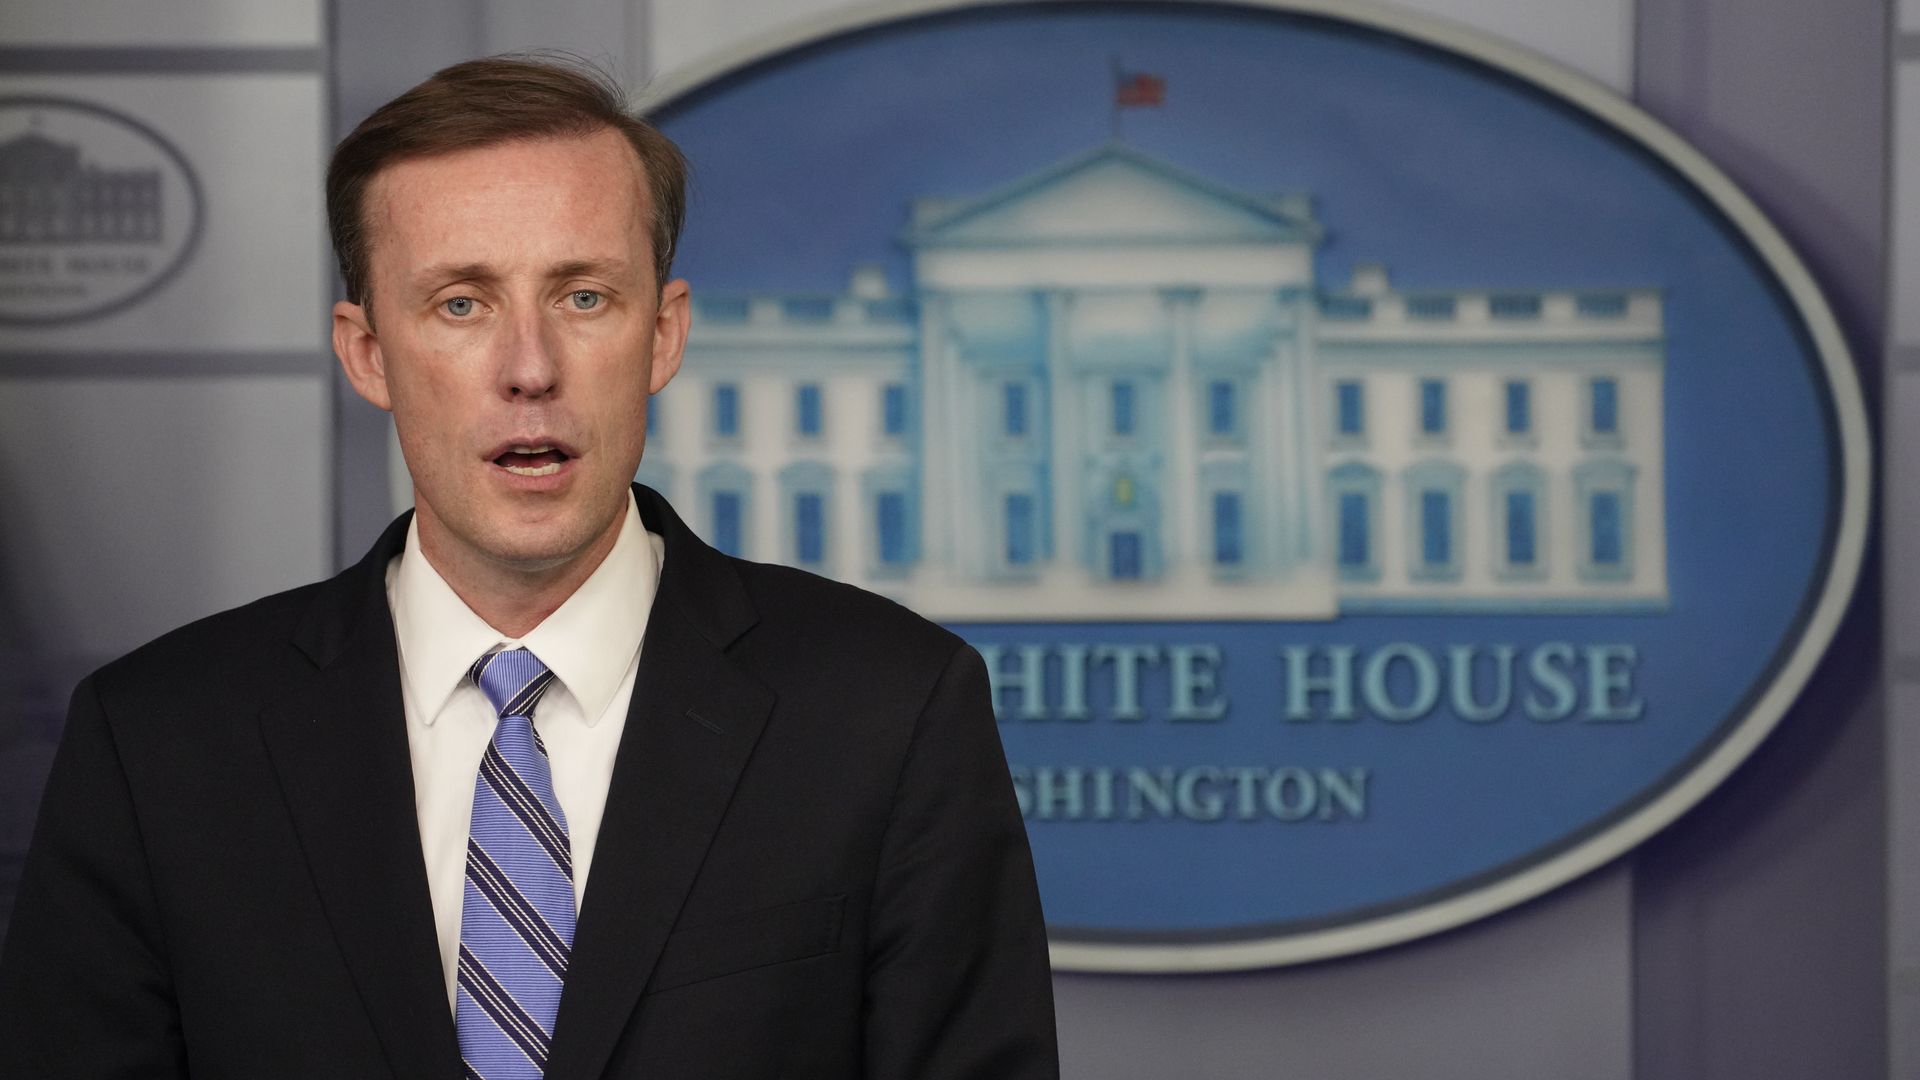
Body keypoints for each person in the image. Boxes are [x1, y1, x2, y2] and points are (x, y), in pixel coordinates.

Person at [0, 56, 1057, 1079]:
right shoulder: (157, 744)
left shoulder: (891, 710)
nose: (530, 369)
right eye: (461, 303)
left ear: (664, 334)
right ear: (367, 353)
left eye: (583, 297)